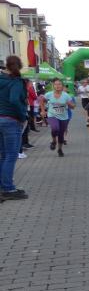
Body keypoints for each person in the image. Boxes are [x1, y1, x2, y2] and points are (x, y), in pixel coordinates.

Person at [0, 56, 29, 200]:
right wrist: (23, 116)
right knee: (11, 156)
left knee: (3, 155)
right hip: (11, 120)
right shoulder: (16, 81)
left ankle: (3, 186)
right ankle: (8, 189)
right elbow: (14, 99)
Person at [40, 79, 76, 157]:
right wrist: (43, 110)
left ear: (62, 86)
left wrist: (69, 104)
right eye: (56, 84)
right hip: (52, 115)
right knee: (55, 128)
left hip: (64, 117)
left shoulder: (66, 95)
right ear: (53, 86)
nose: (57, 86)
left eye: (59, 84)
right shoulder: (49, 94)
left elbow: (73, 106)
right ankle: (53, 141)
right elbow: (42, 100)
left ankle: (60, 149)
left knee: (61, 134)